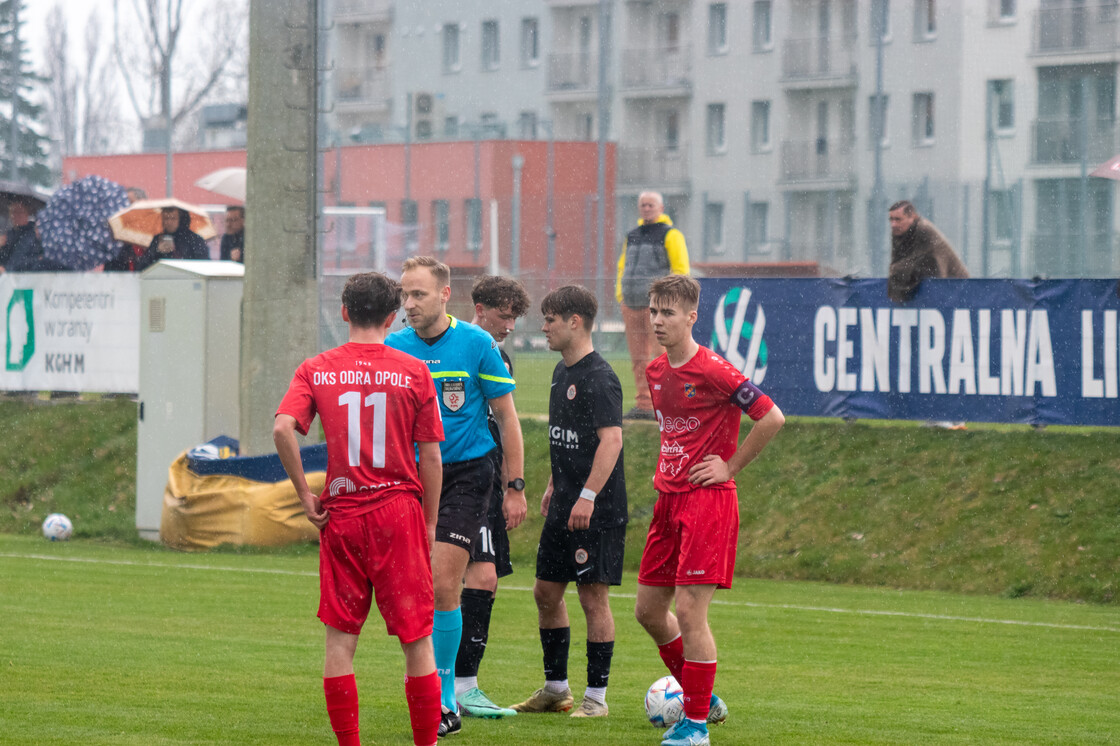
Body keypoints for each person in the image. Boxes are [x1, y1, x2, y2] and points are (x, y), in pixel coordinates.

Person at [273, 271, 445, 746]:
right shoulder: (413, 371)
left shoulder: (317, 367)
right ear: (392, 318)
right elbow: (430, 455)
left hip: (342, 513)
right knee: (416, 639)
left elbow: (283, 429)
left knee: (340, 640)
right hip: (396, 511)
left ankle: (350, 743)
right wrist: (429, 521)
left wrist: (305, 495)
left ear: (345, 312)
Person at [634, 274, 785, 746]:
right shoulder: (656, 372)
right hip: (668, 501)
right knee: (648, 611)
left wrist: (730, 464)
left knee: (690, 611)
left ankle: (695, 725)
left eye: (669, 313)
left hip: (707, 503)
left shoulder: (716, 369)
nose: (658, 320)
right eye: (654, 311)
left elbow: (772, 416)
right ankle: (705, 697)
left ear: (692, 317)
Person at [386, 256, 528, 737]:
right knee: (420, 589)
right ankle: (433, 685)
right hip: (410, 475)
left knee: (445, 584)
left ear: (445, 295)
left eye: (419, 294)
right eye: (405, 294)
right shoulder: (394, 346)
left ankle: (445, 698)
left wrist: (515, 486)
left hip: (467, 474)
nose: (409, 303)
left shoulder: (476, 344)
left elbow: (508, 419)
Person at [510, 284, 627, 719]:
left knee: (593, 598)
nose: (543, 328)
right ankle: (556, 689)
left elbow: (610, 441)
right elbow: (567, 440)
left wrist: (588, 496)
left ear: (574, 322)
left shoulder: (600, 377)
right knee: (545, 591)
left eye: (550, 320)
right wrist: (553, 483)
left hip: (595, 509)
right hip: (565, 502)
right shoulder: (561, 372)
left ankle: (595, 700)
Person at [453, 275, 531, 719]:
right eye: (504, 316)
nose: (510, 325)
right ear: (479, 308)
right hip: (461, 480)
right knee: (475, 578)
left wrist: (512, 485)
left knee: (479, 578)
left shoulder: (498, 357)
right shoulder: (460, 347)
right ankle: (459, 686)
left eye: (515, 318)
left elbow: (505, 425)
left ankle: (455, 684)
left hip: (485, 481)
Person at [887, 200, 969, 430]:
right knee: (929, 361)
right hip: (934, 306)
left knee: (943, 361)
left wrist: (897, 275)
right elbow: (901, 268)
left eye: (898, 219)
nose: (893, 224)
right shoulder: (903, 235)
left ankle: (950, 418)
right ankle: (941, 417)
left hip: (954, 302)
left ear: (912, 216)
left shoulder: (924, 232)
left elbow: (914, 268)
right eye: (891, 220)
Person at [616, 191, 690, 421]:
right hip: (632, 303)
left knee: (662, 356)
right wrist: (621, 295)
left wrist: (668, 303)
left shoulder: (672, 234)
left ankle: (667, 404)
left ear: (661, 207)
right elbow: (622, 267)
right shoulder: (632, 235)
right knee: (638, 359)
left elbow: (680, 270)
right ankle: (645, 405)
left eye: (650, 205)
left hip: (657, 307)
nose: (646, 208)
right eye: (643, 205)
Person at [0, 200, 66, 273]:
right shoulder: (8, 235)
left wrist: (8, 269)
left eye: (20, 212)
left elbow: (31, 260)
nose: (16, 215)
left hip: (23, 277)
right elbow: (6, 257)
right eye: (13, 212)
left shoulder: (34, 234)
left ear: (27, 213)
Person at [139, 206, 209, 268]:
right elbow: (143, 266)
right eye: (166, 218)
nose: (169, 222)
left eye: (173, 218)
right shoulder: (158, 239)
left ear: (181, 219)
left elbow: (203, 263)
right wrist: (157, 252)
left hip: (187, 279)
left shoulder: (194, 239)